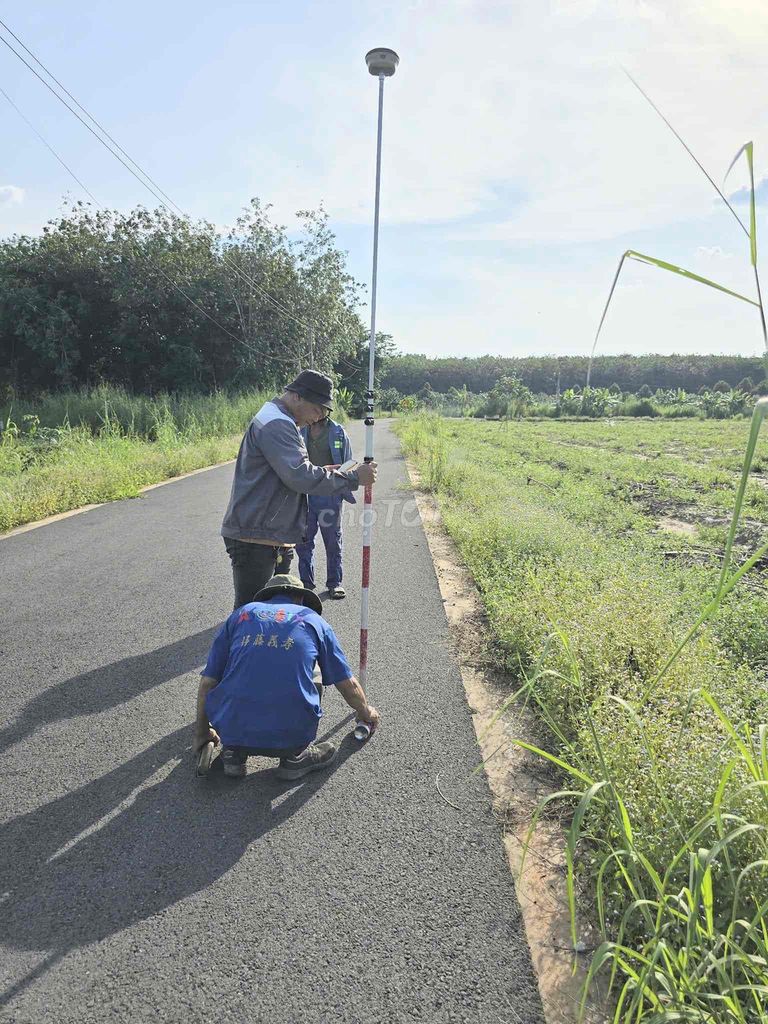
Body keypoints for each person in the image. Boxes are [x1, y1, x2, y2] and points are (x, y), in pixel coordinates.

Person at [194, 575, 380, 779]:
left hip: (232, 730)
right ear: (300, 598)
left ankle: (233, 754)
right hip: (288, 735)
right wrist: (365, 711)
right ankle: (295, 756)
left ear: (266, 598)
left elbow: (208, 683)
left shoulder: (241, 615)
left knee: (235, 668)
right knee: (314, 671)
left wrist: (202, 733)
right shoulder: (313, 620)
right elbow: (346, 682)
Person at [220, 370, 377, 610]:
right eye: (317, 410)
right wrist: (353, 478)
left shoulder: (280, 419)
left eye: (323, 414)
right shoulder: (278, 424)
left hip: (270, 534)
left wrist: (329, 471)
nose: (317, 419)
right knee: (249, 617)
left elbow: (293, 471)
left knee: (270, 613)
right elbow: (300, 476)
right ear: (297, 397)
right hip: (256, 536)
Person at [296, 413, 355, 599]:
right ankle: (306, 584)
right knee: (303, 542)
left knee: (332, 541)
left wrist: (338, 481)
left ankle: (334, 583)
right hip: (305, 496)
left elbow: (349, 463)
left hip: (330, 496)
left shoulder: (337, 432)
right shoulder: (300, 431)